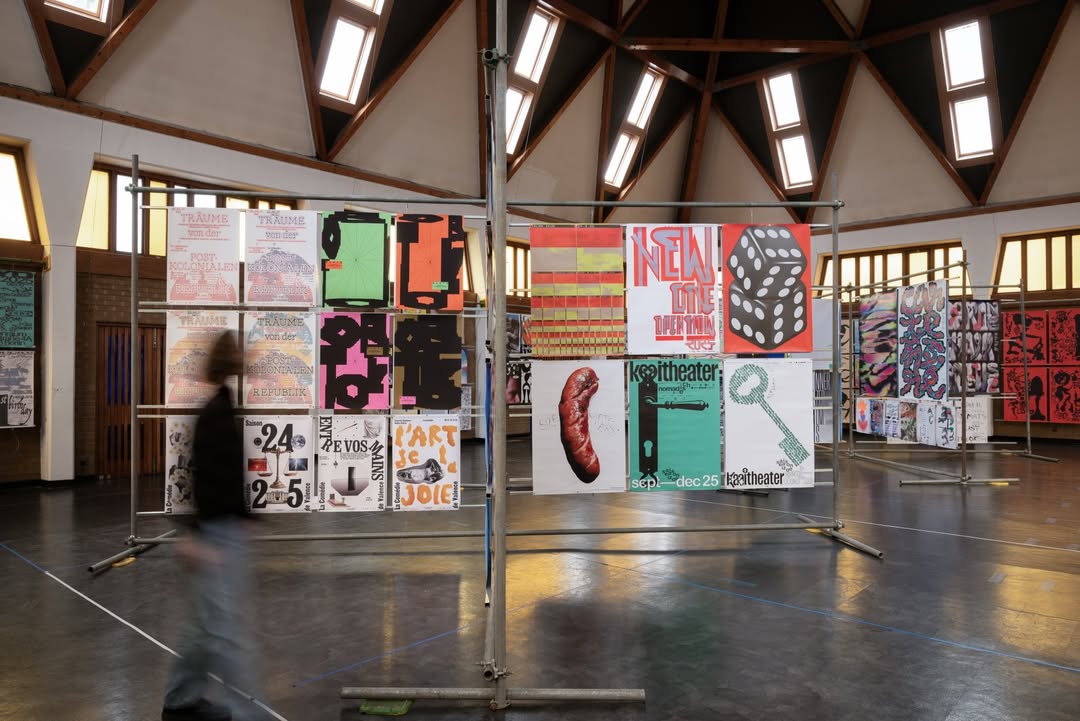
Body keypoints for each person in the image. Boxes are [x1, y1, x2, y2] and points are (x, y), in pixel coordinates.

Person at [163, 331, 262, 721]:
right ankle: (247, 713)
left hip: (220, 528)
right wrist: (195, 535)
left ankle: (180, 696)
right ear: (231, 361)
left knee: (203, 627)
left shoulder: (222, 405)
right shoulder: (215, 414)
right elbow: (205, 478)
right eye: (241, 352)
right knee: (225, 631)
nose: (247, 357)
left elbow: (224, 475)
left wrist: (244, 517)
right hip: (216, 534)